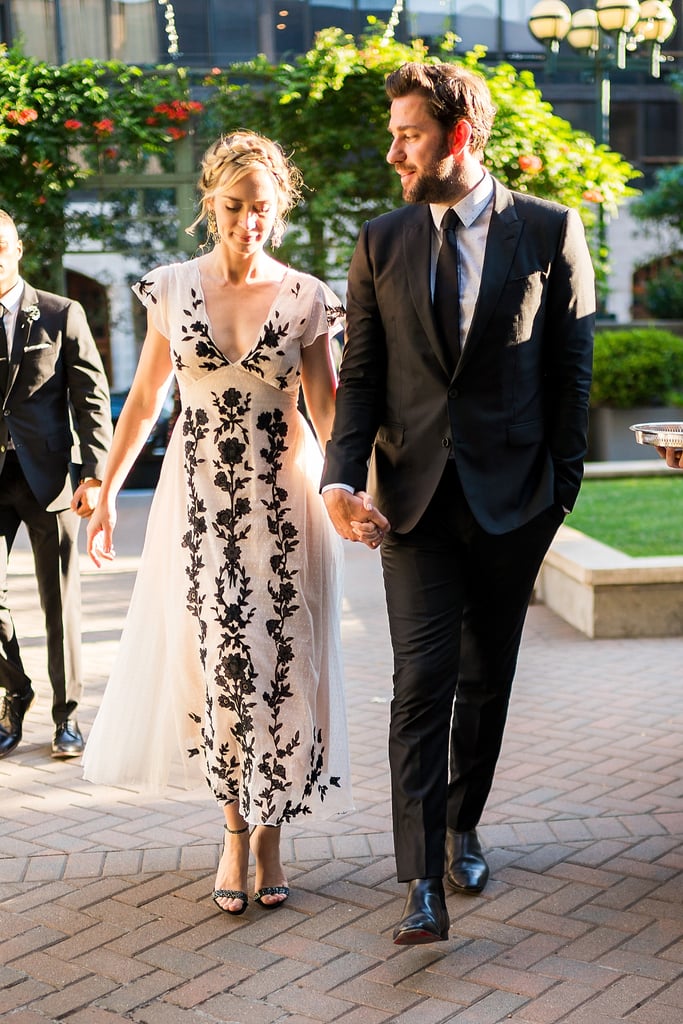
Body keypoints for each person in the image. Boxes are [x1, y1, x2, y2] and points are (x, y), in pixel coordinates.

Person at [322, 62, 595, 945]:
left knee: (485, 681)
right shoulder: (381, 240)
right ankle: (418, 885)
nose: (393, 149)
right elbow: (360, 377)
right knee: (419, 683)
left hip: (515, 504)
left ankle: (461, 822)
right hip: (411, 505)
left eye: (407, 133)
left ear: (458, 136)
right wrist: (339, 478)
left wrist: (560, 491)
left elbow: (569, 374)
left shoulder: (551, 232)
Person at [82, 132, 352, 915]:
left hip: (285, 506)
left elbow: (327, 409)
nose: (248, 223)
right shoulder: (169, 288)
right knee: (217, 662)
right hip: (199, 505)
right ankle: (234, 833)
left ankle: (272, 831)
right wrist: (104, 493)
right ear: (211, 204)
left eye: (262, 209)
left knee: (279, 660)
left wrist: (349, 493)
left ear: (280, 208)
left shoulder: (306, 296)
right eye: (234, 208)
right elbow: (143, 404)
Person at [0, 210, 112, 760]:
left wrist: (93, 473)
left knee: (59, 603)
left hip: (49, 481)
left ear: (17, 249)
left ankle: (66, 719)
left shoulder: (61, 313)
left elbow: (90, 398)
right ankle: (14, 691)